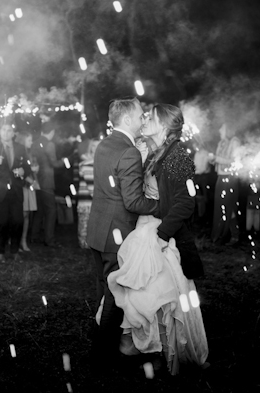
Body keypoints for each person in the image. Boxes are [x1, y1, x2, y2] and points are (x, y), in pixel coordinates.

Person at [107, 103, 208, 375]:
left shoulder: (178, 156)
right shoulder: (152, 151)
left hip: (162, 232)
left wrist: (162, 235)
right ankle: (150, 347)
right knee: (143, 290)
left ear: (163, 125)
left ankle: (167, 350)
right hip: (144, 228)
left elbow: (186, 203)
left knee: (162, 293)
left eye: (149, 117)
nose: (144, 120)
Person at [86, 97, 160, 365]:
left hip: (97, 230)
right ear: (127, 119)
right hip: (116, 233)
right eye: (140, 115)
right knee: (114, 295)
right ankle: (101, 356)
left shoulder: (104, 144)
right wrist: (163, 205)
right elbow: (133, 202)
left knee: (103, 290)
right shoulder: (128, 151)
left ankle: (101, 343)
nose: (143, 119)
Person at [0, 123, 27, 262]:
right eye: (3, 130)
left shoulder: (21, 148)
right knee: (1, 222)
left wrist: (23, 172)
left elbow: (27, 167)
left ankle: (15, 251)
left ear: (13, 133)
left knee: (18, 221)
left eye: (9, 130)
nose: (6, 132)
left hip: (16, 191)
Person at [31, 122, 65, 247]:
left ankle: (34, 237)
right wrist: (66, 161)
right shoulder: (50, 144)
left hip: (36, 179)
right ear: (52, 132)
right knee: (51, 210)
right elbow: (54, 164)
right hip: (46, 181)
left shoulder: (34, 143)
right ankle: (49, 239)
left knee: (39, 210)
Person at [209, 124, 241, 245]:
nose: (219, 130)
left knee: (229, 207)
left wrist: (217, 158)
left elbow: (234, 162)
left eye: (221, 128)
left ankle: (234, 235)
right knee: (220, 207)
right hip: (220, 177)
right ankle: (221, 233)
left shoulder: (235, 142)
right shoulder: (221, 143)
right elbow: (219, 160)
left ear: (228, 130)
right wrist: (212, 160)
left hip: (230, 178)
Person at [17, 130, 38, 253]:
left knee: (27, 216)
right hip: (22, 186)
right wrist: (30, 180)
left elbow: (32, 168)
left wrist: (35, 170)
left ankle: (23, 241)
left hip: (30, 186)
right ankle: (15, 240)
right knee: (20, 215)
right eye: (29, 140)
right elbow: (19, 172)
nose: (31, 142)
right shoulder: (18, 154)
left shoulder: (30, 154)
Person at [76, 138, 99, 249]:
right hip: (87, 202)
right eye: (94, 146)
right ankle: (84, 246)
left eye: (99, 145)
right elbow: (91, 186)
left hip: (95, 201)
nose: (96, 148)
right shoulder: (87, 164)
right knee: (85, 226)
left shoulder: (99, 163)